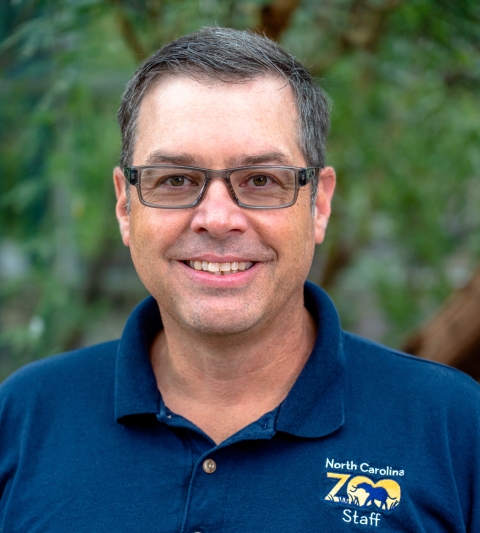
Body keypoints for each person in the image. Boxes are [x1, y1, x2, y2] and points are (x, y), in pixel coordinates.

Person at [1, 27, 479, 533]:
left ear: (318, 204)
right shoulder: (24, 419)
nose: (217, 218)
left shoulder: (454, 428)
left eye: (260, 181)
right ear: (125, 205)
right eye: (176, 180)